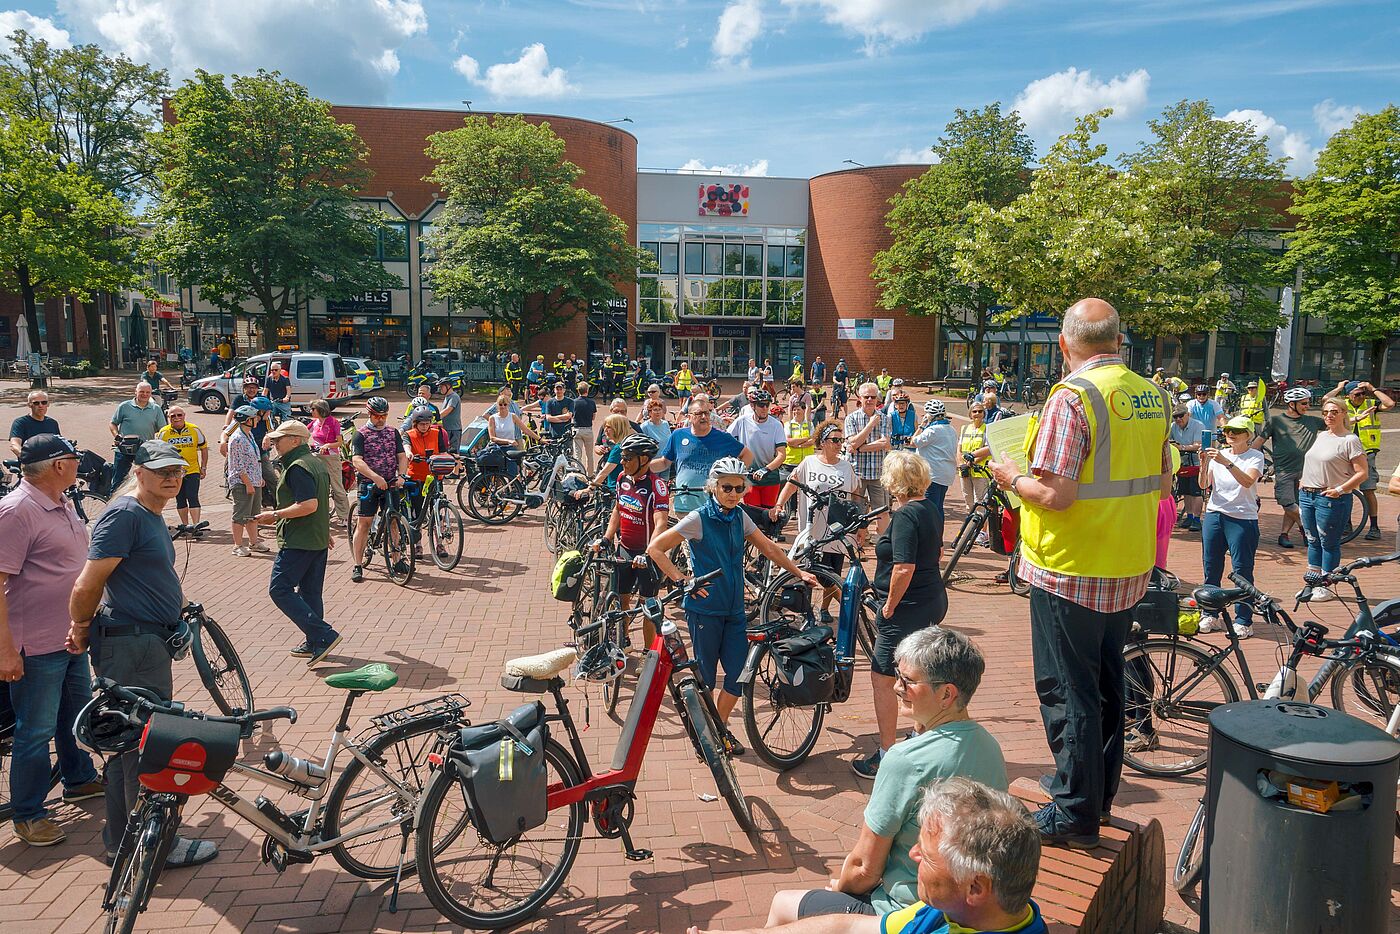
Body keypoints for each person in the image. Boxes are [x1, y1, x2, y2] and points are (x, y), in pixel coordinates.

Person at [988, 298, 1171, 850]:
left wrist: (1010, 476)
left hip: (1069, 568)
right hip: (1128, 563)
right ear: (1117, 341)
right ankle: (1097, 790)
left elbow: (1056, 494)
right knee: (1109, 685)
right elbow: (1164, 479)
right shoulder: (1149, 393)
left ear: (1064, 345)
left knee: (1069, 692)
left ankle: (1074, 810)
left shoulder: (1072, 398)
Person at [765, 629, 1007, 921]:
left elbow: (864, 869)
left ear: (946, 694)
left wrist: (839, 886)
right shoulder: (990, 746)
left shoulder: (905, 761)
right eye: (897, 674)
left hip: (907, 913)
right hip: (967, 909)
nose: (896, 687)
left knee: (782, 905)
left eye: (908, 680)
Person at [67, 440, 219, 869]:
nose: (172, 477)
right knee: (146, 746)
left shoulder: (149, 513)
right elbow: (87, 583)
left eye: (177, 470)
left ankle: (122, 839)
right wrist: (79, 628)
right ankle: (156, 845)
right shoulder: (125, 514)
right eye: (162, 470)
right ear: (138, 471)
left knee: (126, 744)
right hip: (130, 644)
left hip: (143, 641)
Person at [690, 777, 1046, 934]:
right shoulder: (955, 911)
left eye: (929, 855)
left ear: (976, 888)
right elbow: (846, 926)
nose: (914, 854)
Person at [649, 458, 818, 755]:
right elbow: (655, 549)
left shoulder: (739, 516)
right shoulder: (698, 518)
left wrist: (797, 572)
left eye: (739, 488)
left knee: (739, 675)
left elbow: (768, 546)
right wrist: (681, 580)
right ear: (713, 487)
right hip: (705, 611)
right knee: (706, 678)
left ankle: (719, 728)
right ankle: (708, 736)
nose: (733, 493)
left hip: (734, 611)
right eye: (726, 487)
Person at [0, 435, 104, 847]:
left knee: (74, 717)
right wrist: (6, 649)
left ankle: (77, 779)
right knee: (35, 730)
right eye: (73, 458)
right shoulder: (16, 511)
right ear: (57, 465)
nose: (80, 464)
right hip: (36, 643)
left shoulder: (61, 503)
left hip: (69, 636)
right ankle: (27, 813)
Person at [855, 452, 947, 779]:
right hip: (932, 597)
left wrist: (889, 606)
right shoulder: (931, 508)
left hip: (908, 607)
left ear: (895, 482)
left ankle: (885, 753)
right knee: (918, 670)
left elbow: (904, 566)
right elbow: (935, 553)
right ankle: (923, 735)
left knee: (882, 677)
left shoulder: (907, 514)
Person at [255, 420, 339, 665]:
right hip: (314, 537)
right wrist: (324, 529)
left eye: (279, 439)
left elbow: (309, 504)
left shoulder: (298, 466)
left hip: (299, 539)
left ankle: (323, 634)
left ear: (295, 440)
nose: (275, 443)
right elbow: (321, 502)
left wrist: (276, 515)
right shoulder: (314, 462)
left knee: (280, 589)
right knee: (310, 593)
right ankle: (316, 641)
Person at [772, 420, 860, 622]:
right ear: (823, 441)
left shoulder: (846, 467)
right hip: (812, 531)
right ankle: (838, 608)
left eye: (841, 440)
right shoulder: (809, 462)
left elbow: (855, 493)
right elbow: (791, 484)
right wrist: (779, 504)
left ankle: (826, 608)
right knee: (812, 574)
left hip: (837, 531)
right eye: (835, 440)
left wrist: (858, 525)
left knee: (833, 574)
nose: (839, 444)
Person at [1197, 417, 1266, 639]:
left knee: (1242, 570)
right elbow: (1203, 484)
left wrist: (1227, 462)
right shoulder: (1218, 454)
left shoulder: (1255, 456)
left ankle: (1244, 620)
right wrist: (1204, 464)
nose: (1230, 434)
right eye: (1227, 430)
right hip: (1215, 514)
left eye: (1236, 431)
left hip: (1242, 518)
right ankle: (1210, 613)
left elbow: (1248, 481)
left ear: (1248, 435)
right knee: (1211, 566)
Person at [597, 433, 669, 642]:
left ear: (644, 459)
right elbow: (618, 510)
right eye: (622, 456)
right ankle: (624, 639)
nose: (622, 461)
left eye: (628, 457)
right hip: (625, 549)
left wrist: (648, 554)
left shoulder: (657, 486)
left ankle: (648, 653)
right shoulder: (622, 479)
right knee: (621, 600)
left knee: (648, 606)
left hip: (648, 555)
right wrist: (607, 538)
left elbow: (661, 524)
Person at [1298, 397, 1369, 597]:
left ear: (1344, 413)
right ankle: (1312, 581)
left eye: (1334, 412)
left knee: (1328, 542)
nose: (1329, 415)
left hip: (1330, 498)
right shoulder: (1321, 436)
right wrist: (1303, 482)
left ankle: (1327, 584)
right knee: (1312, 540)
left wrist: (1339, 489)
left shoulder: (1349, 440)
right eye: (1326, 412)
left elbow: (1362, 473)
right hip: (1307, 494)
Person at [652, 393, 752, 515]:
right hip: (684, 505)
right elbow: (664, 462)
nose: (704, 417)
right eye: (699, 414)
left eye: (707, 413)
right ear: (689, 417)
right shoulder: (678, 435)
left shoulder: (722, 437)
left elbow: (747, 455)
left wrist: (735, 479)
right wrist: (641, 467)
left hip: (713, 507)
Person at [1253, 387, 1325, 547]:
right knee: (1287, 503)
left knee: (1295, 503)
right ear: (1292, 404)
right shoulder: (1276, 421)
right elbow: (1258, 442)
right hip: (1284, 471)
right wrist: (1244, 458)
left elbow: (1336, 422)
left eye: (1308, 403)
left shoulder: (1312, 421)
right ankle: (1307, 530)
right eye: (1304, 403)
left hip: (1307, 472)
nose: (1307, 406)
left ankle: (1284, 535)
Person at [1324, 380, 1394, 541]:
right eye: (1357, 394)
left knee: (1368, 490)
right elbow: (1325, 400)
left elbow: (1389, 403)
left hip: (1366, 452)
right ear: (1348, 395)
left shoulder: (1371, 404)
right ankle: (1346, 524)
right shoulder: (1341, 406)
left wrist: (1372, 388)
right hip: (1344, 453)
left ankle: (1374, 527)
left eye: (1363, 393)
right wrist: (1339, 388)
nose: (1361, 397)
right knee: (1344, 488)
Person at [350, 396, 409, 584]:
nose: (381, 419)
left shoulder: (393, 433)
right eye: (377, 416)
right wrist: (375, 477)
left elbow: (401, 456)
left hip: (390, 483)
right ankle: (358, 565)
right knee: (364, 523)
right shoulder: (361, 434)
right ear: (370, 414)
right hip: (368, 484)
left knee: (394, 522)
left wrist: (402, 475)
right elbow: (357, 460)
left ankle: (397, 559)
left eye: (384, 415)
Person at [727, 389, 787, 512]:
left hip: (770, 477)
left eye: (767, 405)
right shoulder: (742, 421)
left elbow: (781, 454)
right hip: (749, 477)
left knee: (769, 515)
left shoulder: (776, 425)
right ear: (752, 405)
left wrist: (766, 469)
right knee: (753, 514)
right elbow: (727, 441)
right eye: (761, 405)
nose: (765, 408)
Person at [846, 383, 892, 537]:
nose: (870, 400)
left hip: (878, 472)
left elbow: (885, 443)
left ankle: (883, 541)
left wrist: (860, 447)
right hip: (857, 472)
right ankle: (859, 544)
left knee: (882, 510)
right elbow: (852, 442)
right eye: (867, 397)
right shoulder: (851, 418)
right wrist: (871, 424)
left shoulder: (885, 418)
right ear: (860, 398)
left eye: (873, 397)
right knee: (857, 511)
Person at [156, 406, 208, 530]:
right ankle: (185, 526)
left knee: (192, 496)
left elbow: (204, 448)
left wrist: (204, 467)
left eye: (179, 415)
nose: (176, 418)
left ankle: (196, 526)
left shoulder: (194, 429)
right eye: (173, 416)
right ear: (168, 418)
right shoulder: (163, 432)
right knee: (180, 498)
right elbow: (158, 452)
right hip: (173, 472)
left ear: (184, 415)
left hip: (192, 469)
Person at [225, 405, 268, 557]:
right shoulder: (237, 439)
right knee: (240, 515)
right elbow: (238, 465)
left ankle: (254, 542)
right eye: (253, 418)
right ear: (247, 420)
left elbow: (254, 460)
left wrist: (259, 478)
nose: (256, 419)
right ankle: (237, 545)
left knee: (253, 515)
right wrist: (248, 484)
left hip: (254, 481)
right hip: (243, 483)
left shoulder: (248, 435)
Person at [108, 382, 166, 491]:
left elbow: (162, 429)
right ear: (136, 392)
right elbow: (113, 423)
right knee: (118, 481)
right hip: (123, 449)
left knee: (147, 479)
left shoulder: (156, 409)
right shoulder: (124, 406)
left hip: (145, 449)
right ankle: (113, 505)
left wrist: (158, 443)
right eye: (141, 392)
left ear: (151, 393)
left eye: (147, 392)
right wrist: (117, 436)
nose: (144, 394)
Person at [403, 408, 452, 525]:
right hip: (417, 477)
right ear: (415, 424)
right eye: (421, 424)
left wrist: (448, 458)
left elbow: (442, 451)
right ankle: (417, 537)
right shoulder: (409, 435)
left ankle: (438, 534)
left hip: (435, 476)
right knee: (418, 510)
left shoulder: (437, 433)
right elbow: (406, 446)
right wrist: (409, 453)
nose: (425, 426)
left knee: (436, 506)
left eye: (427, 423)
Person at [308, 400, 350, 527]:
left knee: (337, 487)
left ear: (320, 410)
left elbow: (339, 442)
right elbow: (304, 433)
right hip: (316, 456)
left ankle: (344, 516)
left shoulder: (333, 422)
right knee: (318, 487)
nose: (311, 411)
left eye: (313, 409)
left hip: (331, 457)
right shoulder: (314, 422)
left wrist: (327, 445)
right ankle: (321, 514)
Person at [912, 401, 958, 517]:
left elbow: (914, 441)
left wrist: (922, 425)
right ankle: (938, 533)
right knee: (938, 507)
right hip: (946, 474)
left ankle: (931, 534)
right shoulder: (951, 430)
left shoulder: (932, 431)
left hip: (933, 475)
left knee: (929, 508)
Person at [1170, 406, 1208, 532]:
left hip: (1196, 463)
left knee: (1196, 492)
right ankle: (1189, 516)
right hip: (1182, 464)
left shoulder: (1198, 425)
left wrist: (1181, 447)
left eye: (1181, 415)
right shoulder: (1172, 427)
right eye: (1175, 416)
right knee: (1185, 491)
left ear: (1188, 414)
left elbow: (1198, 444)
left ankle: (1197, 519)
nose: (1178, 419)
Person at [486, 393, 540, 470]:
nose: (503, 407)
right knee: (498, 474)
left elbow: (525, 429)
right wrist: (508, 441)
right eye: (501, 404)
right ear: (497, 406)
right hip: (497, 448)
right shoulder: (493, 418)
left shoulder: (513, 416)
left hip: (510, 449)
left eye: (505, 404)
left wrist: (540, 439)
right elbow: (492, 438)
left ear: (508, 405)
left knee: (513, 472)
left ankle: (518, 481)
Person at [958, 403, 991, 512]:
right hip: (965, 471)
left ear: (984, 414)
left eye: (980, 411)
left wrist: (972, 462)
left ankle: (981, 528)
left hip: (980, 471)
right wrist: (961, 464)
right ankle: (971, 526)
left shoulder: (987, 428)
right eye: (974, 411)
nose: (977, 413)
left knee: (980, 502)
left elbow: (987, 450)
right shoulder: (964, 428)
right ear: (970, 414)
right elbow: (959, 449)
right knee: (968, 502)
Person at [9, 390, 58, 458]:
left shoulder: (52, 423)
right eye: (36, 403)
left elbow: (59, 443)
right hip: (30, 463)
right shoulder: (20, 423)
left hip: (51, 462)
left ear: (48, 404)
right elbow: (14, 445)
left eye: (44, 402)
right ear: (29, 405)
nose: (40, 405)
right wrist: (27, 457)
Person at [589, 414, 632, 491]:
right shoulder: (627, 444)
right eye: (605, 426)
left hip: (615, 489)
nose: (605, 430)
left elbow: (604, 473)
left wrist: (589, 488)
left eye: (608, 427)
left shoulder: (618, 448)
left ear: (618, 429)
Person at [571, 381, 599, 471]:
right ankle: (590, 474)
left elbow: (571, 415)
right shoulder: (592, 402)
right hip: (588, 429)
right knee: (589, 455)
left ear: (578, 391)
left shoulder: (574, 402)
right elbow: (593, 417)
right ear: (587, 390)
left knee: (577, 455)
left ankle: (579, 473)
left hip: (577, 429)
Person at [438, 380, 463, 454]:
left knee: (453, 453)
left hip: (453, 430)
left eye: (441, 386)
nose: (440, 388)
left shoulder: (454, 396)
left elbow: (448, 410)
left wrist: (436, 418)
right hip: (447, 429)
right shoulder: (447, 397)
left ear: (448, 386)